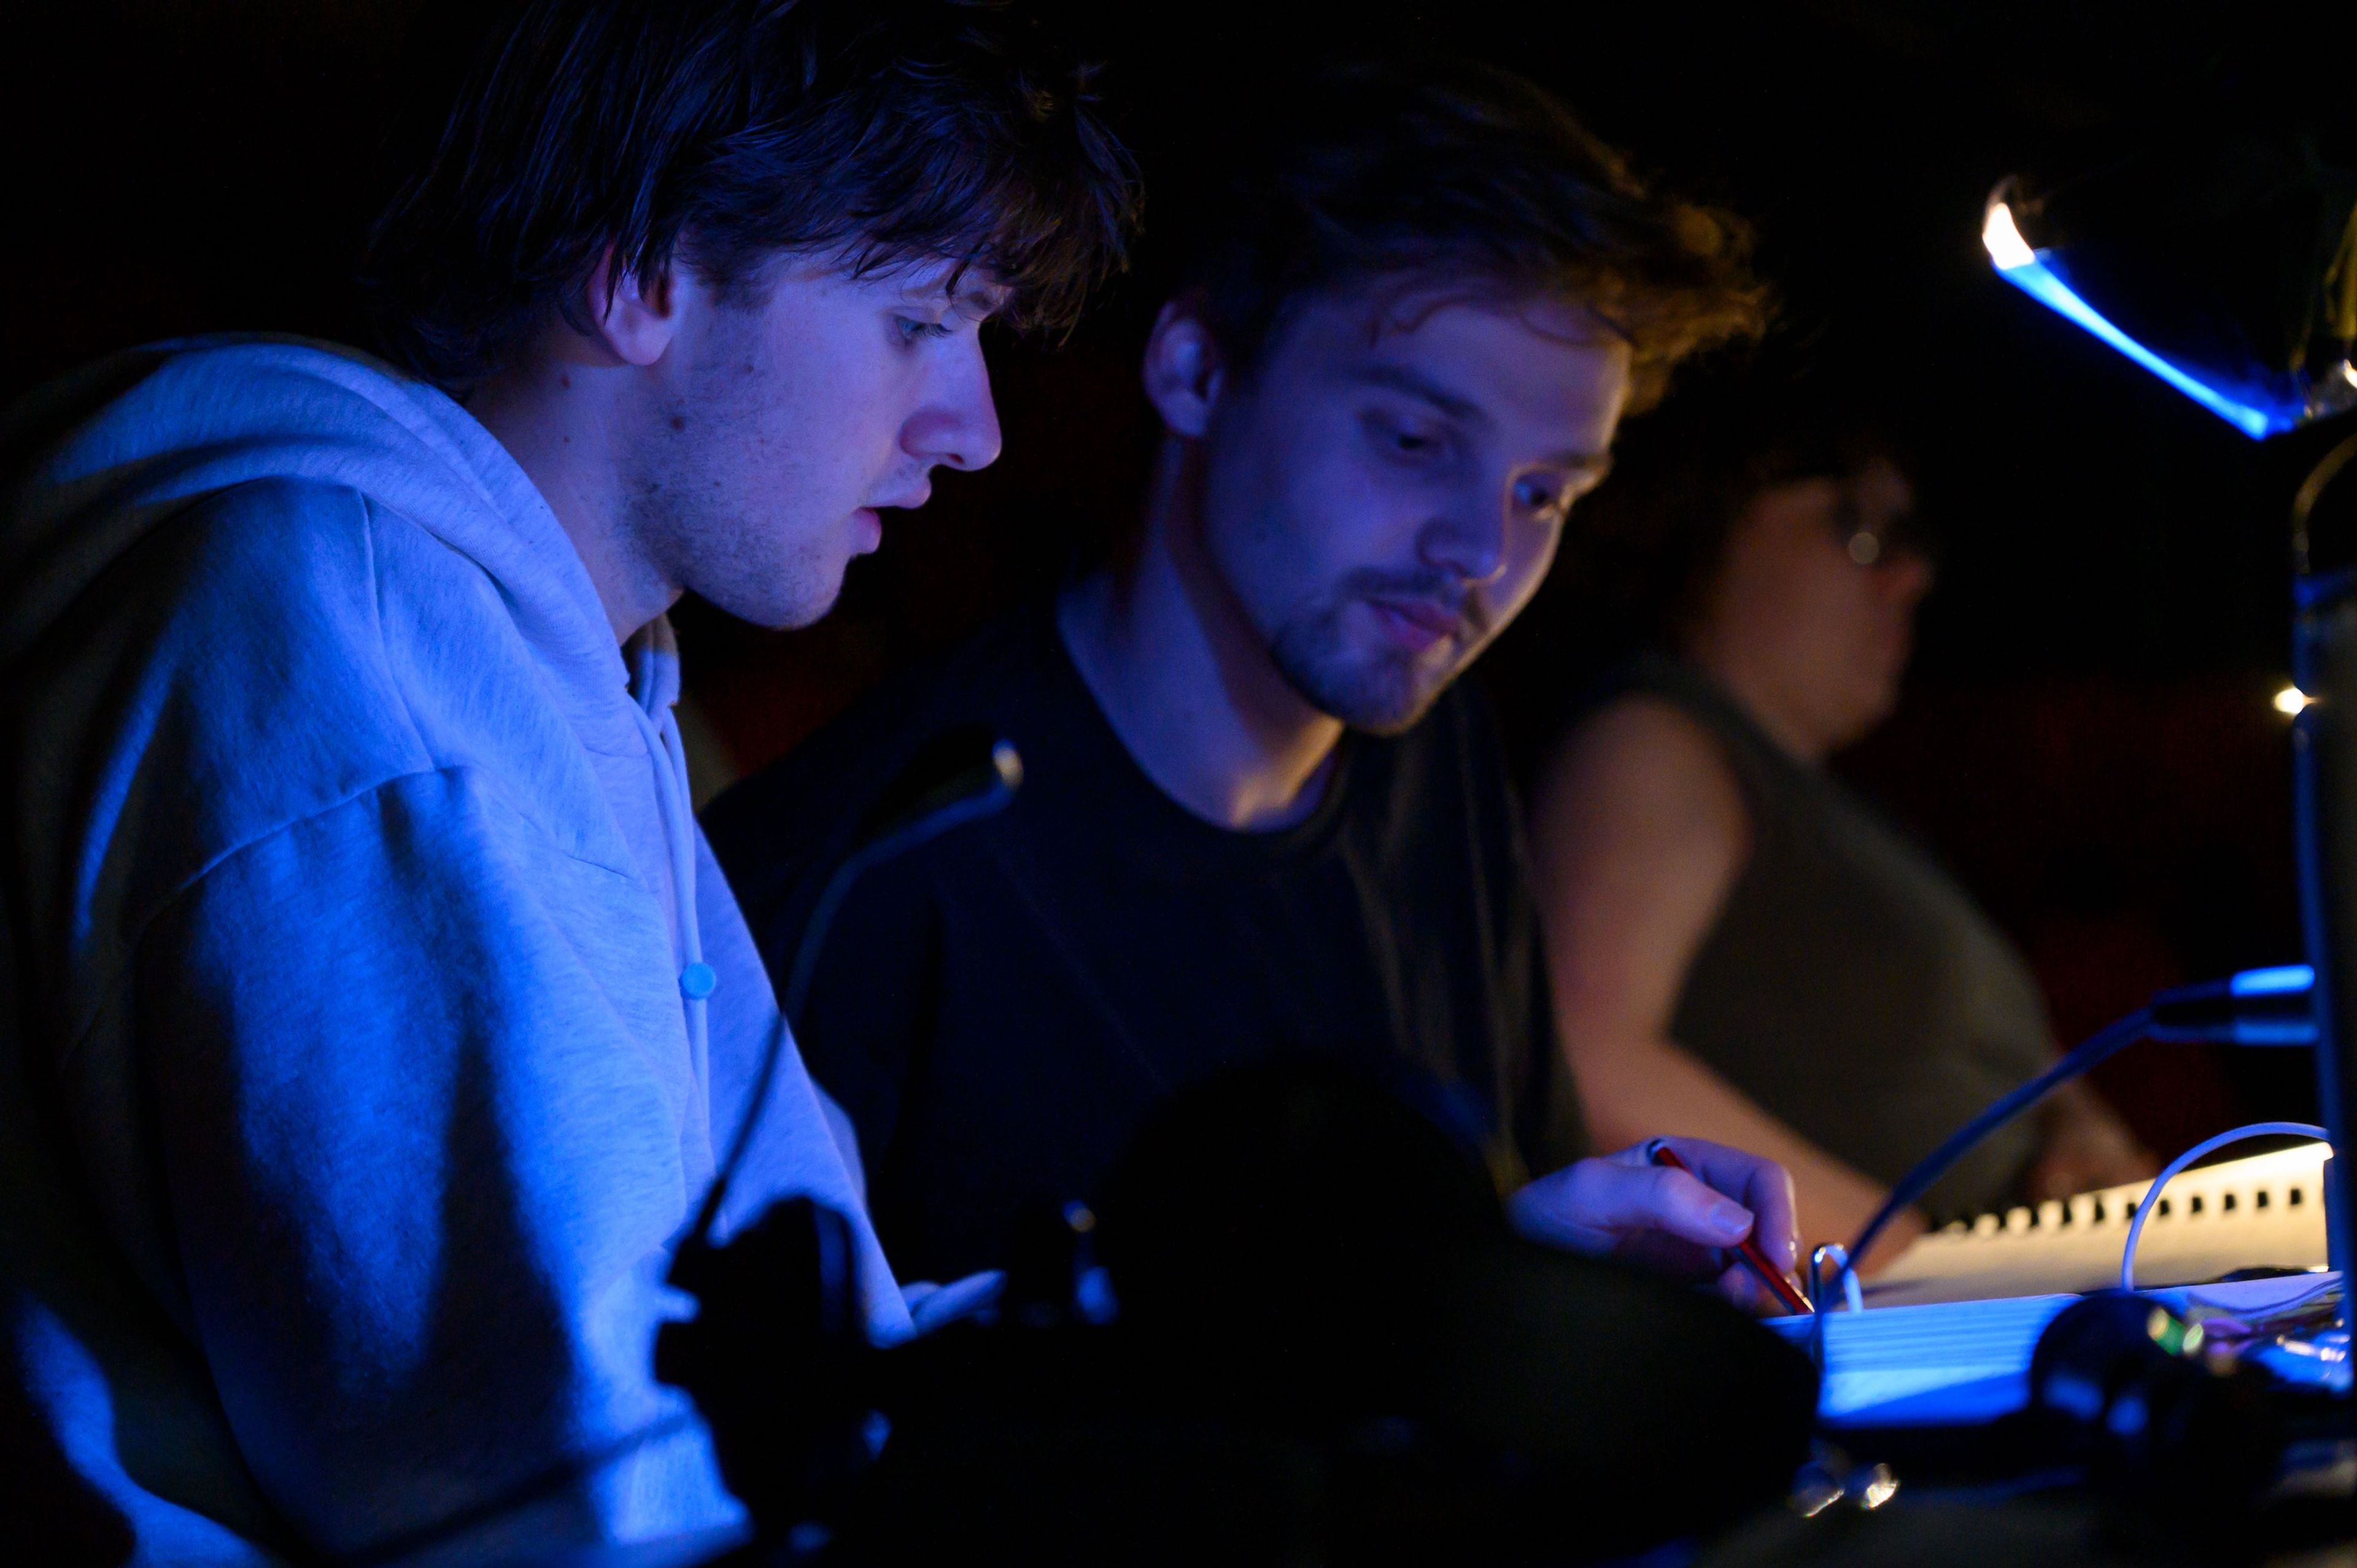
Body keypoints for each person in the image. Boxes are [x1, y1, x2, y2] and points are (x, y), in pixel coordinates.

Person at [0, 1, 1133, 1558]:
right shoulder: (354, 635)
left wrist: (1366, 1317)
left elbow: (815, 1382)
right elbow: (571, 1498)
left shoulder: (579, 667)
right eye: (919, 325)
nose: (976, 430)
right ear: (647, 268)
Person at [705, 61, 1794, 1305]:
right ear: (1195, 371)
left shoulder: (1433, 760)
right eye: (1414, 439)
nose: (1481, 552)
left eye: (1544, 492)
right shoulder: (858, 870)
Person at [1520, 393, 2154, 1266]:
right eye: (1862, 531)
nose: (1912, 578)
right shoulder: (1659, 743)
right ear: (1715, 522)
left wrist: (2079, 1120)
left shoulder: (1841, 808)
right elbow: (1585, 1051)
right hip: (1926, 1326)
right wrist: (1895, 1248)